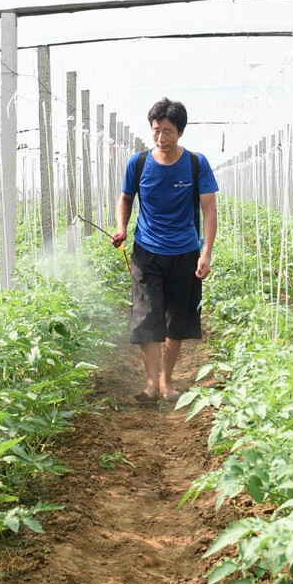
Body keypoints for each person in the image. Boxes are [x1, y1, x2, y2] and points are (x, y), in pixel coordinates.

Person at [111, 98, 218, 404]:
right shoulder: (139, 163)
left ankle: (166, 382)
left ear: (180, 132)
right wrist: (122, 227)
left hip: (185, 252)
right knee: (147, 318)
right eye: (156, 130)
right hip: (146, 251)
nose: (161, 138)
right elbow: (126, 198)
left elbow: (209, 210)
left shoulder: (197, 164)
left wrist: (206, 253)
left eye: (168, 131)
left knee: (176, 321)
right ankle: (150, 385)